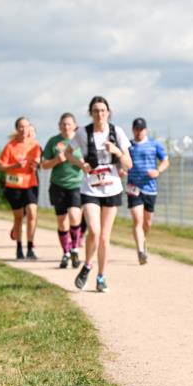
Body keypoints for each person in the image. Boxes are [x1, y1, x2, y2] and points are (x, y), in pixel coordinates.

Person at [66, 96, 132, 293]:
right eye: (96, 111)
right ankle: (87, 265)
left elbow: (128, 164)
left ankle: (101, 276)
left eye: (103, 110)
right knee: (93, 231)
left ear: (108, 112)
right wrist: (81, 164)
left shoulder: (116, 132)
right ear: (90, 113)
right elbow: (68, 154)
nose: (100, 114)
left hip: (111, 187)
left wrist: (118, 152)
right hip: (91, 187)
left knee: (104, 237)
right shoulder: (83, 133)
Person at [41, 112, 84, 269]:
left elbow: (87, 160)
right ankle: (66, 253)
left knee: (74, 215)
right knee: (61, 220)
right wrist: (56, 160)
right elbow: (44, 165)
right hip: (58, 185)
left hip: (76, 184)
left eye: (69, 124)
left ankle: (75, 249)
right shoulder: (53, 141)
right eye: (63, 124)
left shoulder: (80, 141)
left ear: (74, 125)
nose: (66, 126)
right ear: (59, 125)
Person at [125, 117, 169, 264]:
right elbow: (121, 162)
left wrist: (158, 171)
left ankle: (143, 241)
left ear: (146, 130)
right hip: (133, 187)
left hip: (150, 187)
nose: (138, 132)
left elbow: (165, 161)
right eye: (136, 129)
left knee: (147, 222)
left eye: (141, 129)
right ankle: (140, 251)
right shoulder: (128, 145)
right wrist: (121, 169)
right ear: (133, 130)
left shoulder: (154, 144)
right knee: (138, 219)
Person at [0, 117, 41, 260]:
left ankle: (30, 248)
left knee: (32, 213)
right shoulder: (10, 146)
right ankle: (19, 248)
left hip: (30, 183)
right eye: (21, 127)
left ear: (29, 128)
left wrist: (36, 164)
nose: (23, 129)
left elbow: (39, 161)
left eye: (26, 126)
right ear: (17, 129)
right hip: (14, 186)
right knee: (18, 217)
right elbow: (0, 166)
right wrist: (15, 166)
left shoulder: (35, 145)